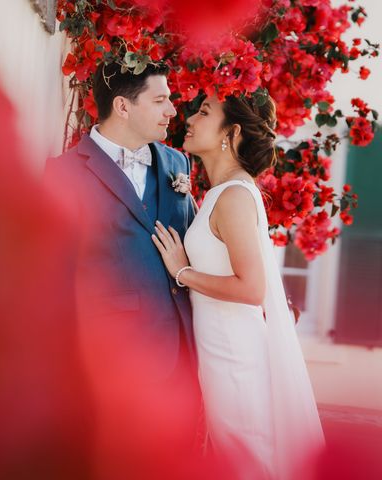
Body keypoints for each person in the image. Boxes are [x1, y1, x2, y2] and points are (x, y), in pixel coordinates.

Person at [152, 94, 325, 479]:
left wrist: (183, 273)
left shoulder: (232, 196)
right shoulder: (224, 192)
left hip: (235, 362)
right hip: (222, 356)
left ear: (231, 133)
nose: (191, 118)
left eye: (204, 112)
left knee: (247, 462)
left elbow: (252, 289)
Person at [45, 62, 201, 479]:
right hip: (111, 365)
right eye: (160, 99)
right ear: (122, 106)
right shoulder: (63, 174)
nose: (172, 109)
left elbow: (199, 242)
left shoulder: (177, 165)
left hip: (184, 356)